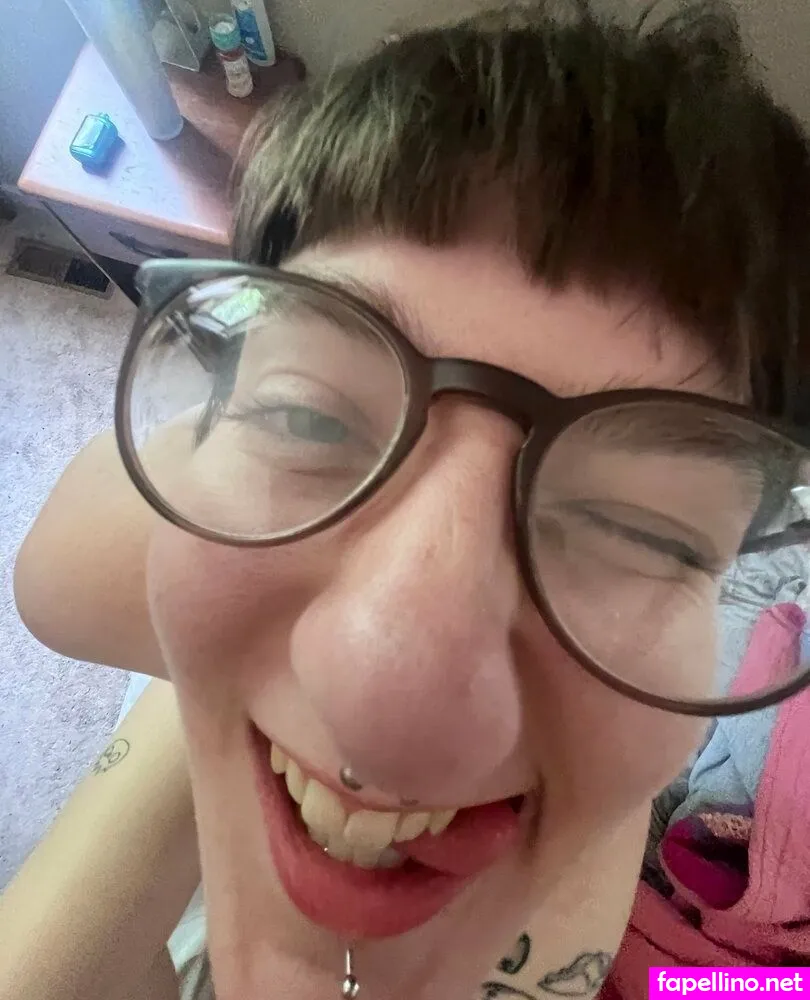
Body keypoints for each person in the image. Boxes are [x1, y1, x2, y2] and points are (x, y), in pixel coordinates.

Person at [6, 2, 810, 998]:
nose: (388, 696)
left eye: (633, 528)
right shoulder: (84, 571)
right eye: (308, 421)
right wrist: (232, 678)